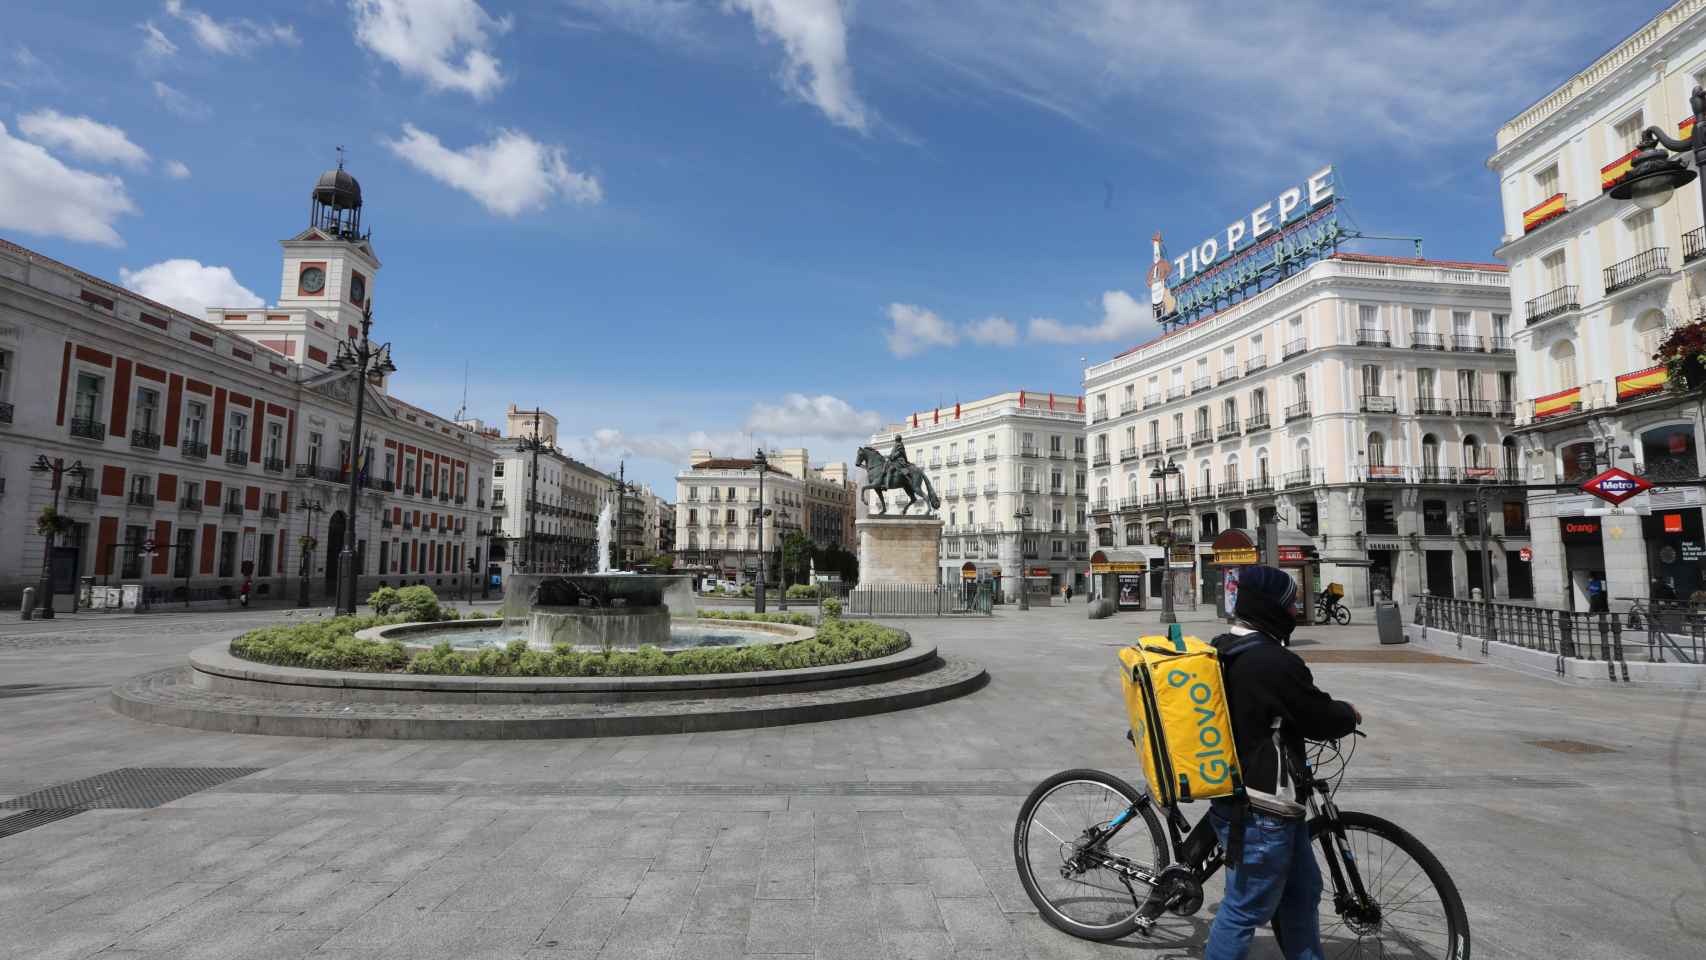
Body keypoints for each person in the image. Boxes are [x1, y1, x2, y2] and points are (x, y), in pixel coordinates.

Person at [1207, 565, 1360, 960]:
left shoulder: (1223, 647)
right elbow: (1315, 715)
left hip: (1267, 803)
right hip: (1260, 808)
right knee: (1244, 909)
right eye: (1289, 603)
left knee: (1301, 891)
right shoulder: (1273, 662)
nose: (1294, 610)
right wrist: (1348, 713)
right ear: (1269, 607)